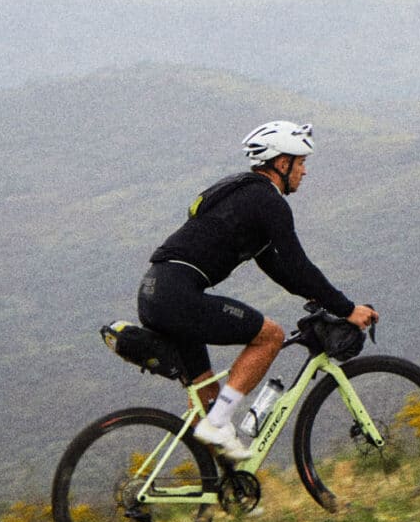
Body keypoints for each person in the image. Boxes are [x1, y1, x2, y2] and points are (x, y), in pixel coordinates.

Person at [136, 120, 378, 460]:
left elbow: (279, 269)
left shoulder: (244, 197)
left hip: (155, 291)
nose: (304, 172)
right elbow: (298, 264)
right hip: (177, 296)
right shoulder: (268, 202)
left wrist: (316, 296)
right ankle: (217, 424)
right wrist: (346, 308)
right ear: (282, 163)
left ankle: (228, 492)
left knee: (211, 399)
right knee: (270, 336)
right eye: (301, 162)